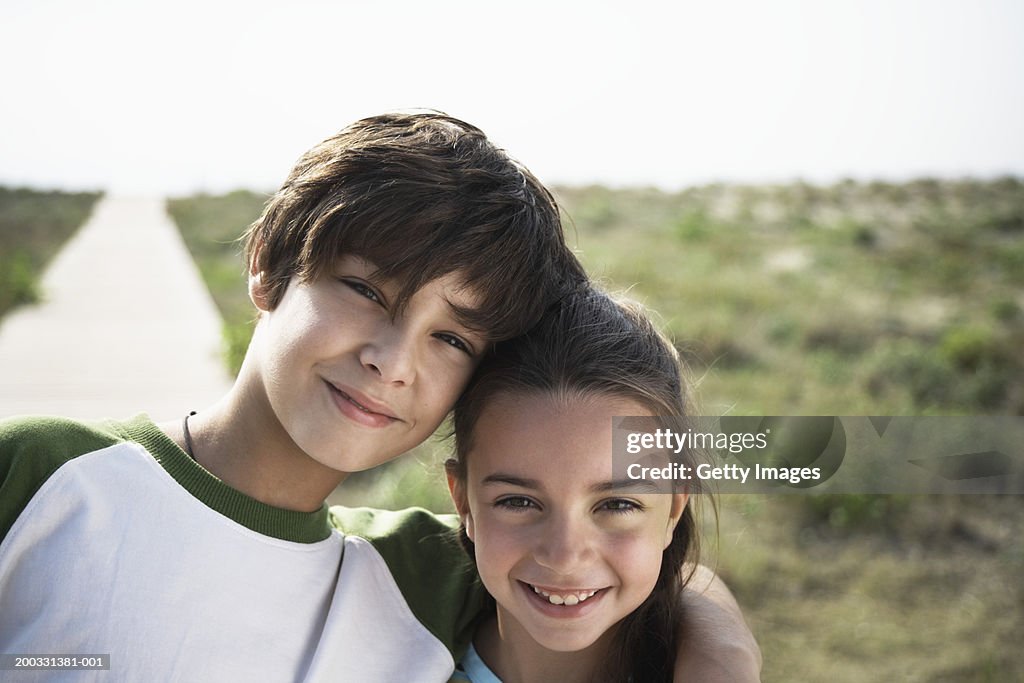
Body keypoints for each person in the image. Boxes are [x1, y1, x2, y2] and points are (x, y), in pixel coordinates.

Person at [0, 113, 758, 681]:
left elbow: (636, 548)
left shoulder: (416, 571)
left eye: (452, 339)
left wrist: (723, 651)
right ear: (267, 262)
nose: (392, 361)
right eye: (365, 290)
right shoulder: (42, 473)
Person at [445, 287, 734, 682]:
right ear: (463, 502)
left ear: (673, 510)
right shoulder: (385, 648)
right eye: (518, 502)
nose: (564, 557)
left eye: (617, 505)